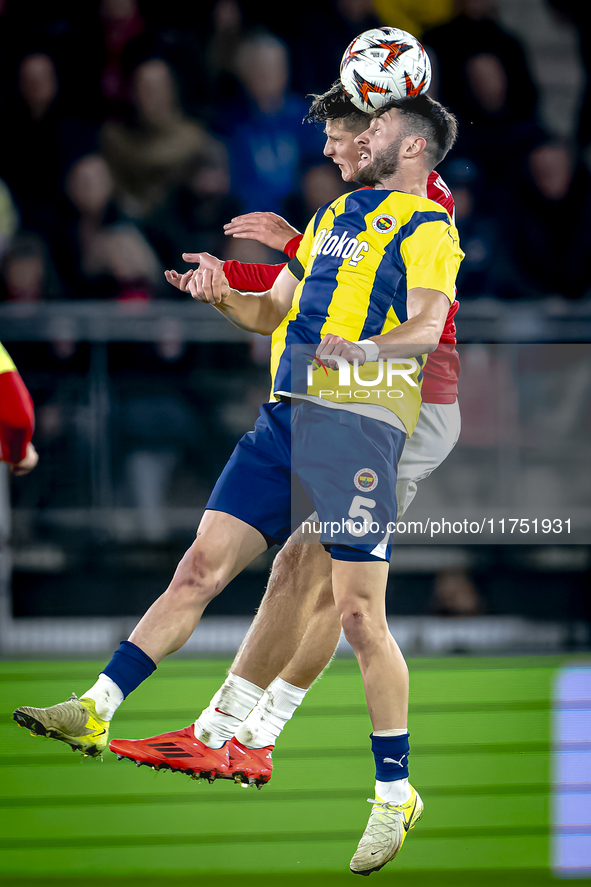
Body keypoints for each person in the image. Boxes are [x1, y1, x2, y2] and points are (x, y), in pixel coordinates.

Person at [15, 92, 463, 875]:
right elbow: (272, 311)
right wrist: (222, 290)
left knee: (359, 615)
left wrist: (367, 350)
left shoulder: (430, 226)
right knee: (198, 566)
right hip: (287, 418)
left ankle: (394, 792)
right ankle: (96, 707)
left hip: (362, 425)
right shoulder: (330, 220)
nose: (359, 136)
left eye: (378, 126)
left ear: (414, 146)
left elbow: (427, 325)